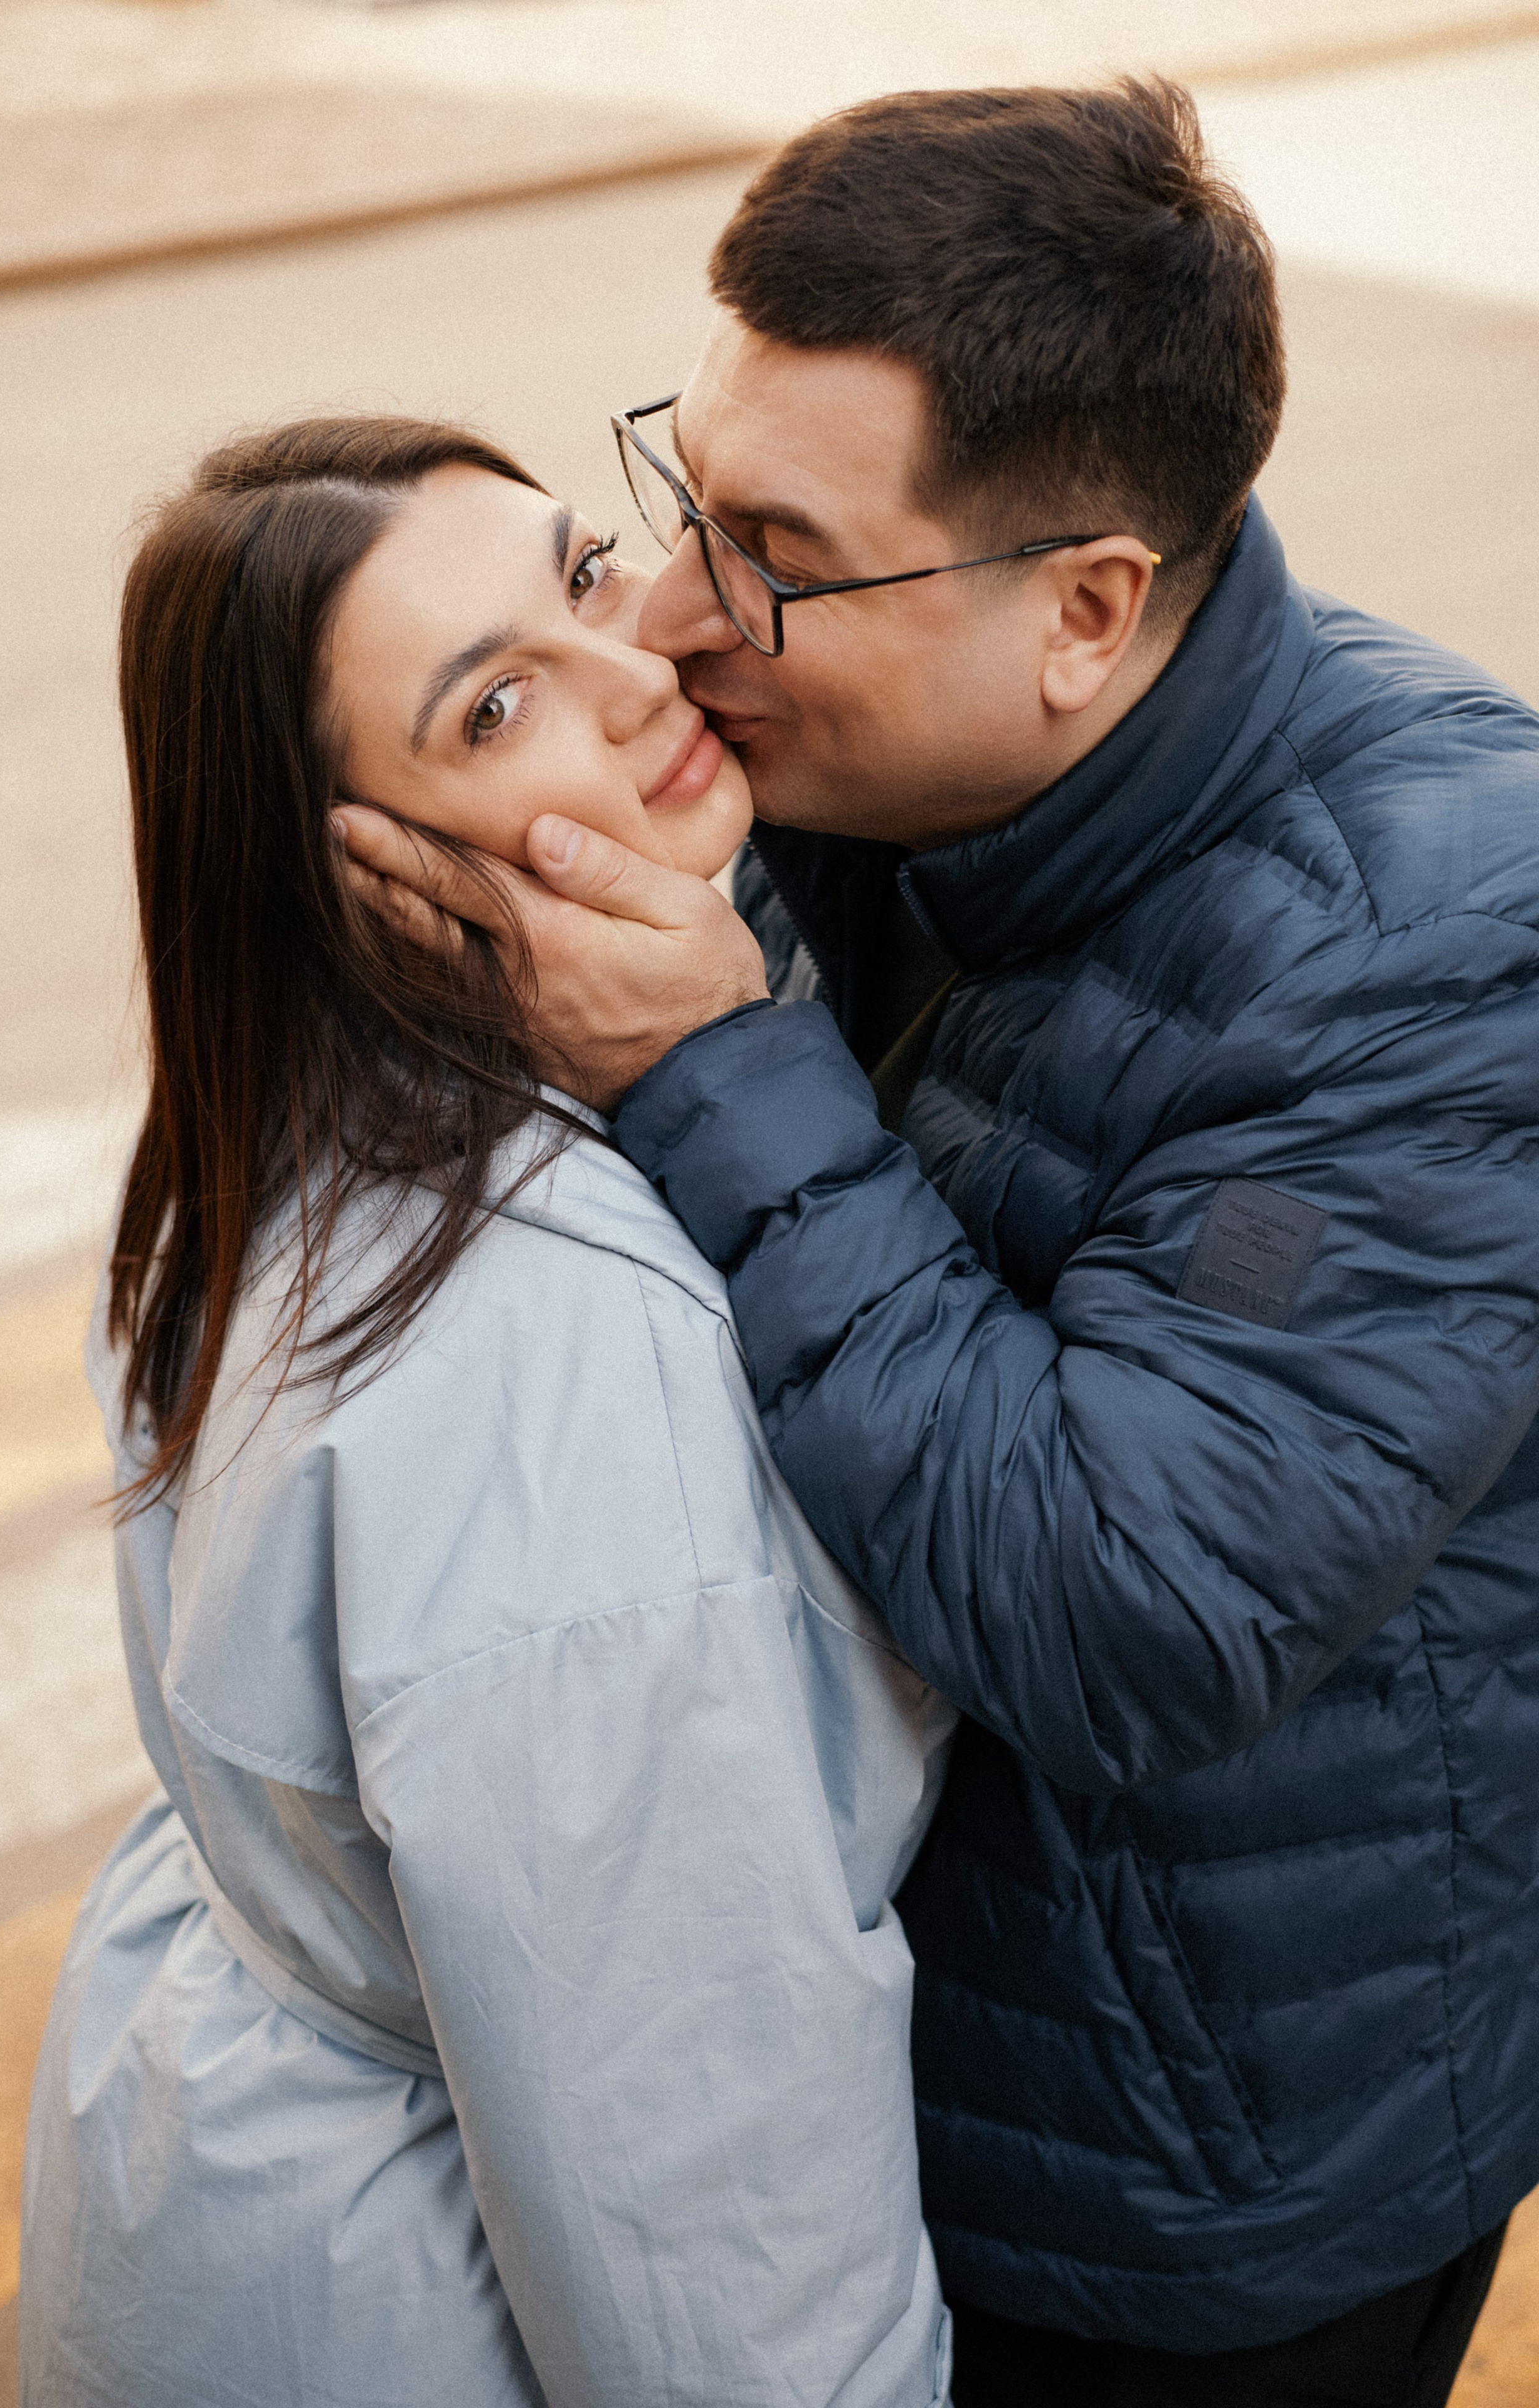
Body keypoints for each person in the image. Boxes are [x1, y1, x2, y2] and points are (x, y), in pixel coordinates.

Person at [341, 80, 1539, 2408]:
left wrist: (709, 1062)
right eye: (682, 490)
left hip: (1191, 2186)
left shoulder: (1440, 945)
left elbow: (1134, 1609)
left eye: (776, 544)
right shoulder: (866, 765)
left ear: (1086, 610)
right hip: (870, 2088)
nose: (683, 610)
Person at [18, 415, 960, 2408]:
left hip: (229, 2186)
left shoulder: (259, 1135)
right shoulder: (551, 1351)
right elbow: (704, 2203)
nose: (640, 674)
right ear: (355, 867)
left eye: (578, 574)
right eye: (497, 705)